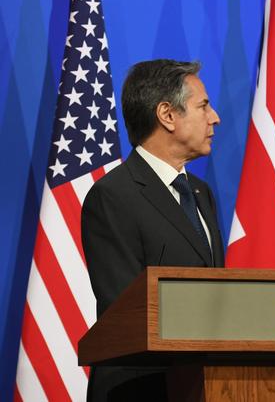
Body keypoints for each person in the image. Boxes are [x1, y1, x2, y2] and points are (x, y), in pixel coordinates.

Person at [81, 59, 225, 401]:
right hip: (140, 389)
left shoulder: (202, 194)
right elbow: (125, 309)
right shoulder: (114, 196)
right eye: (203, 106)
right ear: (167, 115)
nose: (214, 117)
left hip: (201, 384)